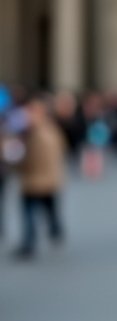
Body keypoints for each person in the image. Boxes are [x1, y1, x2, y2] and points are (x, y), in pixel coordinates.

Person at [12, 95, 66, 259]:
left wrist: (16, 165)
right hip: (50, 178)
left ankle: (29, 242)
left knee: (29, 212)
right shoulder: (52, 130)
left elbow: (28, 160)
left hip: (35, 179)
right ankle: (55, 228)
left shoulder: (34, 134)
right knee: (49, 207)